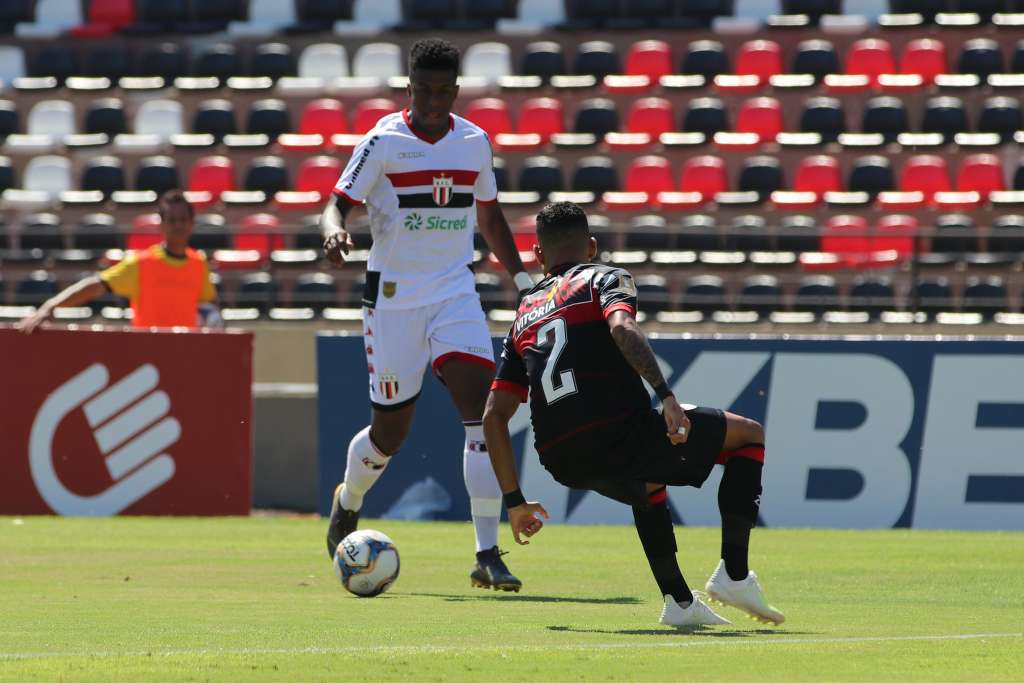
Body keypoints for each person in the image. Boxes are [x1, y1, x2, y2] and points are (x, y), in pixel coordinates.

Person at [481, 202, 786, 627]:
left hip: (559, 457)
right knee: (749, 435)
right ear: (590, 246)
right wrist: (665, 396)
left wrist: (513, 502)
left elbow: (494, 415)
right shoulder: (604, 277)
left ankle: (679, 603)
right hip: (616, 430)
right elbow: (622, 328)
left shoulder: (523, 313)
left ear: (538, 255)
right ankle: (734, 575)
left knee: (647, 482)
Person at [321, 38, 534, 591]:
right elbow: (336, 202)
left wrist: (523, 280)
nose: (434, 101)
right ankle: (350, 498)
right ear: (409, 87)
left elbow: (490, 218)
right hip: (393, 300)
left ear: (455, 90)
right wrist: (334, 231)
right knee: (390, 434)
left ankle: (487, 553)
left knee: (484, 415)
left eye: (444, 91)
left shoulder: (473, 141)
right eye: (425, 90)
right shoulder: (383, 141)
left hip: (454, 293)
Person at [17, 190, 218, 333]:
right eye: (172, 220)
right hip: (148, 356)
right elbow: (95, 286)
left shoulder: (198, 263)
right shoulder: (141, 263)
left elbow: (208, 303)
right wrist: (50, 307)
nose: (178, 225)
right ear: (162, 225)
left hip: (186, 355)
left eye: (183, 220)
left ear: (192, 224)